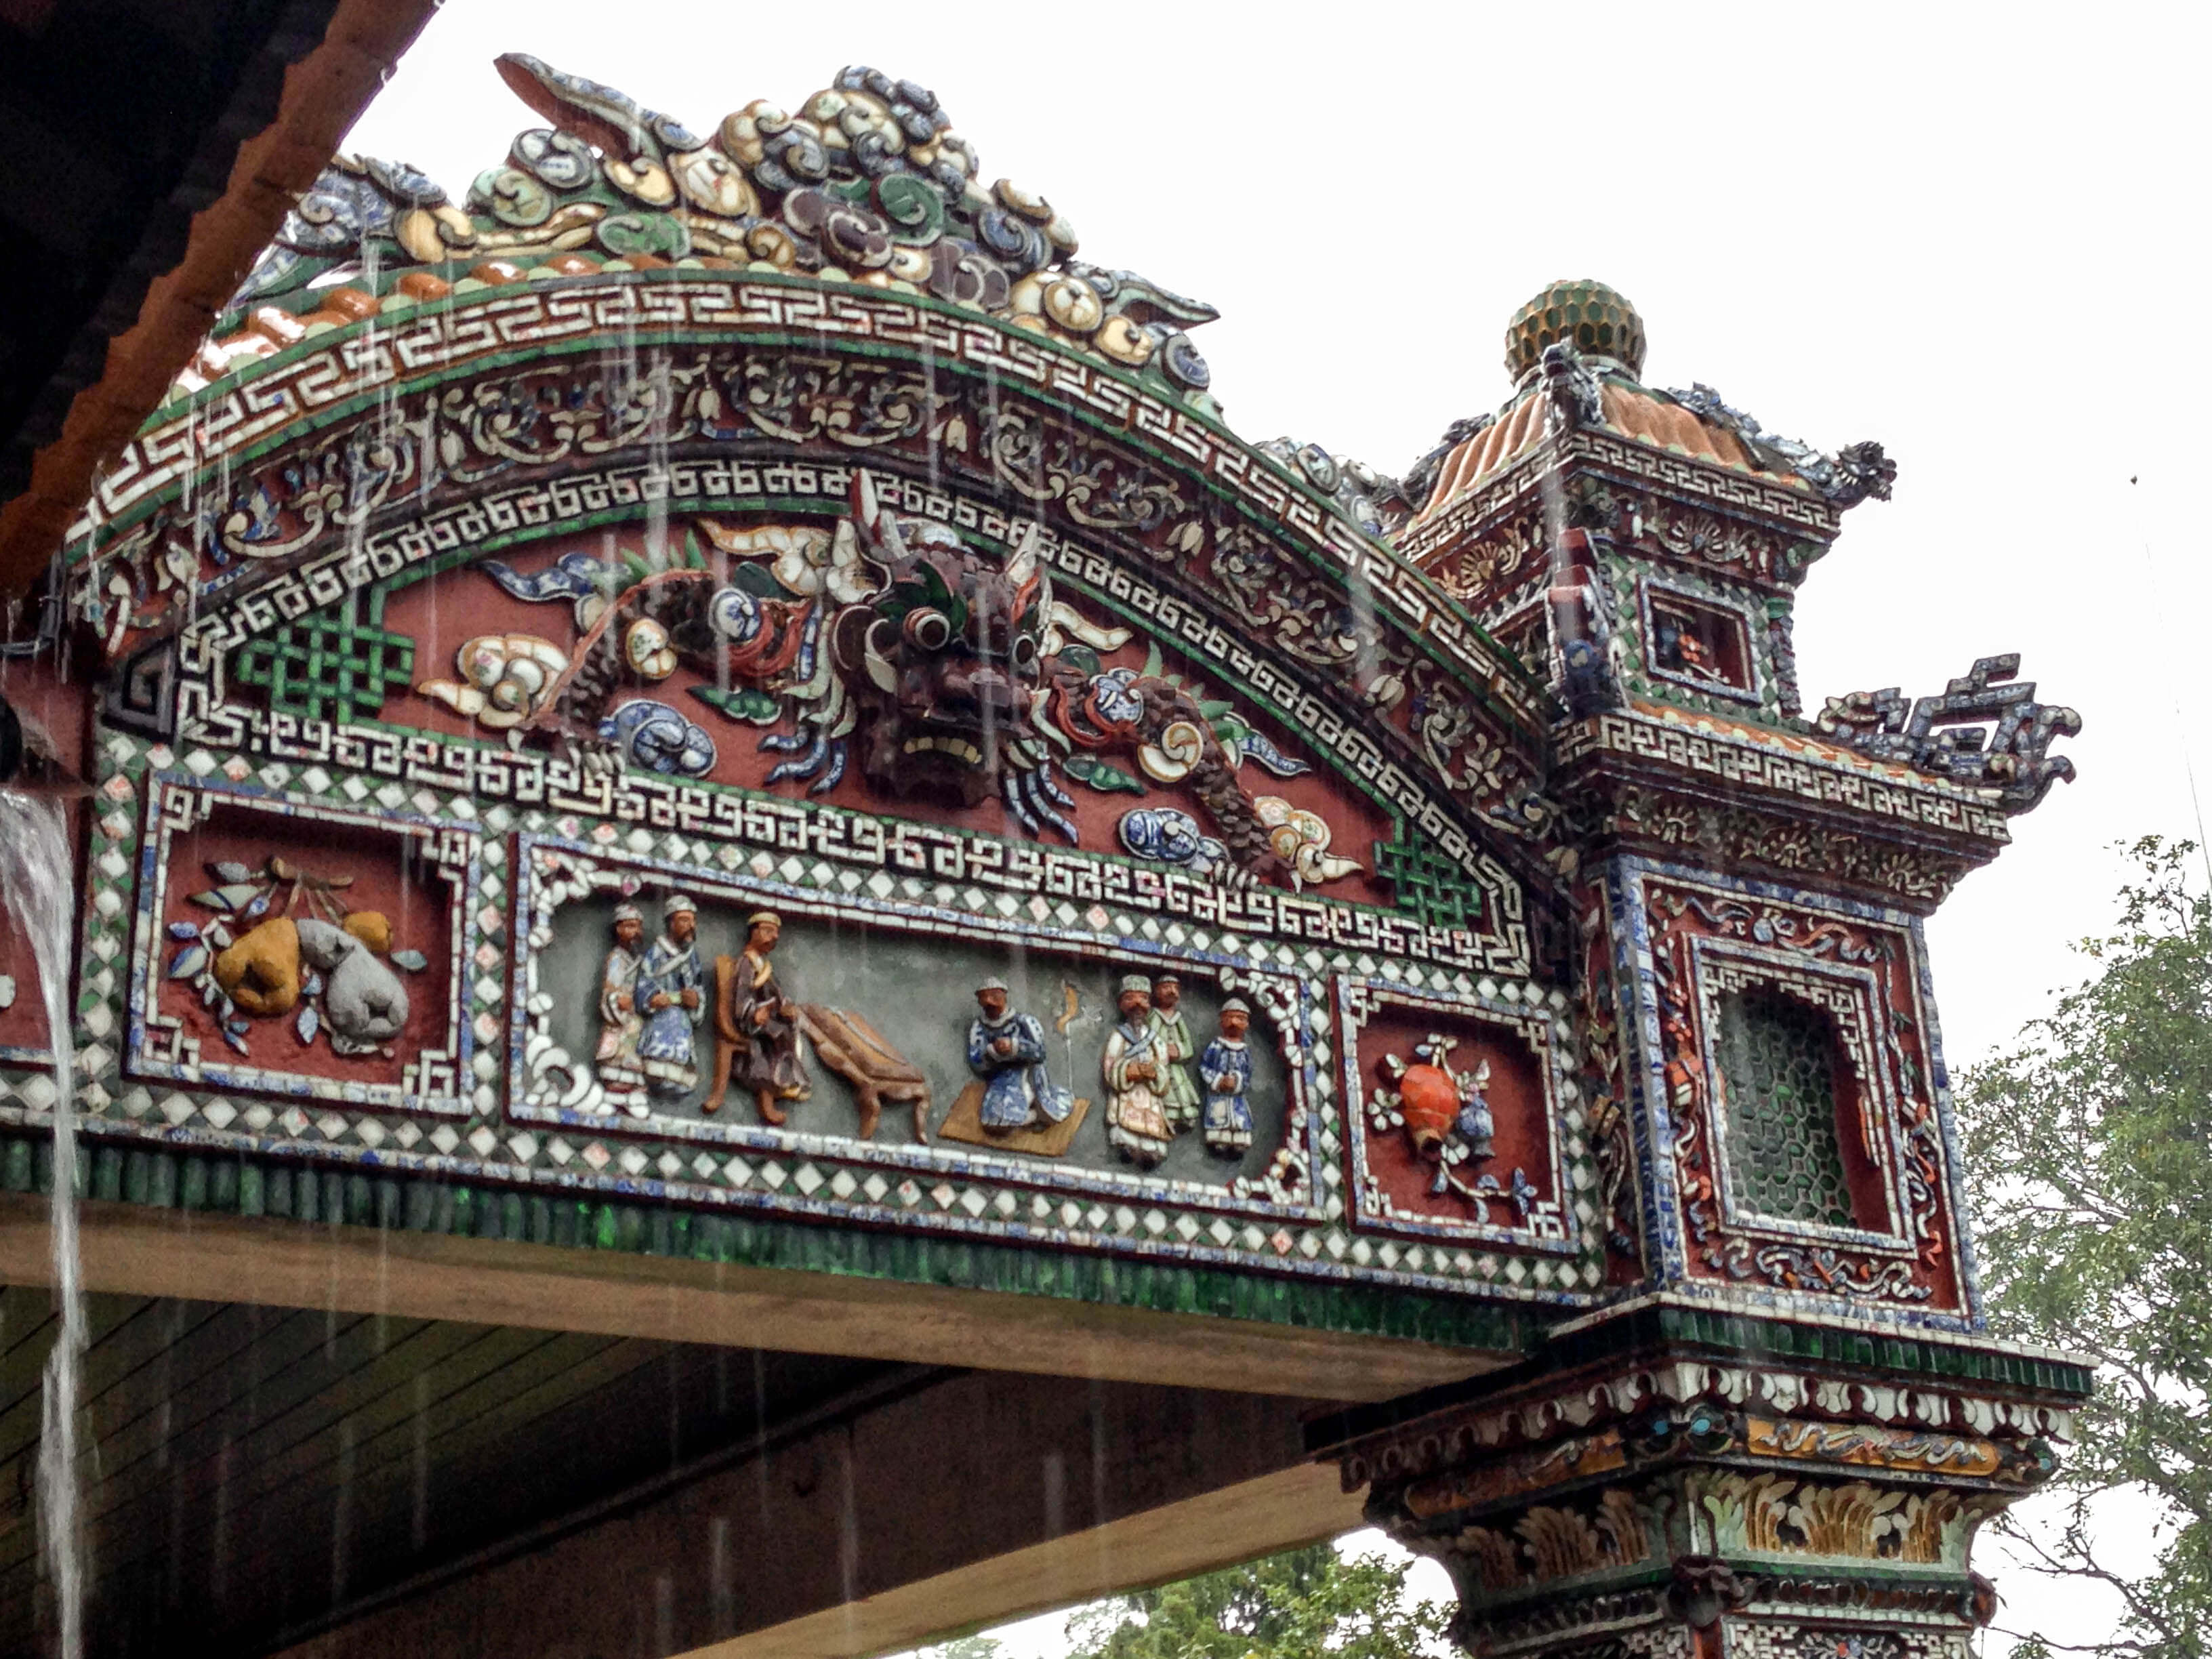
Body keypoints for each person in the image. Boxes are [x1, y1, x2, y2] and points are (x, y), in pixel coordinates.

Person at [717, 909, 809, 1124]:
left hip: (768, 1015)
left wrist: (786, 1007)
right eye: (768, 931)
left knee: (789, 1028)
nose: (774, 937)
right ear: (754, 932)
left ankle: (786, 1080)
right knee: (779, 1033)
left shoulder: (764, 965)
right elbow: (742, 996)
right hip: (749, 1020)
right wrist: (753, 1013)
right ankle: (779, 1082)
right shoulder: (747, 964)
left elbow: (776, 995)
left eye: (776, 933)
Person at [966, 977, 1071, 1132]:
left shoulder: (1024, 1021)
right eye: (984, 998)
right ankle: (1027, 1117)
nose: (990, 1002)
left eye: (994, 996)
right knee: (995, 1120)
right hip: (1001, 1078)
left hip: (1028, 1074)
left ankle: (1036, 1113)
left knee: (1020, 1108)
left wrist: (1014, 1047)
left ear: (1004, 997)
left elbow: (1040, 1052)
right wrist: (991, 1052)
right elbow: (976, 1060)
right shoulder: (980, 1027)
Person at [633, 893, 705, 1098]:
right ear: (671, 923)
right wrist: (652, 997)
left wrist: (696, 1000)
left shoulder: (692, 956)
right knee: (660, 1049)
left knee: (681, 1050)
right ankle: (656, 1073)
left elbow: (698, 985)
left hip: (682, 1016)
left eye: (693, 921)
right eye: (684, 920)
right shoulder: (657, 951)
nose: (691, 926)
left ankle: (678, 1080)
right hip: (661, 1015)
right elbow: (644, 980)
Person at [1102, 975, 1172, 1166]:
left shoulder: (1155, 1039)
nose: (1137, 1004)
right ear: (1121, 1004)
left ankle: (1150, 1151)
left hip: (1149, 1095)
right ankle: (1128, 1146)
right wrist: (1127, 1071)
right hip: (1128, 1094)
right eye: (1130, 998)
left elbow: (1164, 1066)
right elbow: (1110, 1065)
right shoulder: (1119, 1036)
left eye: (1143, 998)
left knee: (1151, 1121)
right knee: (1127, 1122)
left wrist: (1155, 1073)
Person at [593, 901, 649, 1115]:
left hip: (634, 1018)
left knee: (634, 1055)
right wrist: (617, 999)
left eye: (638, 927)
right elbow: (610, 988)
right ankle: (614, 1095)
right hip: (621, 1017)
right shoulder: (617, 957)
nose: (636, 932)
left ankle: (632, 1095)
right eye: (630, 926)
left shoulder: (635, 959)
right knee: (618, 1057)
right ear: (619, 929)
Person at [1201, 997, 1255, 1157]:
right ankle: (1219, 1139)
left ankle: (1238, 1141)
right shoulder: (1216, 1046)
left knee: (1239, 1120)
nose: (1234, 1022)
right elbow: (1205, 1067)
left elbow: (1248, 1072)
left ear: (1247, 1024)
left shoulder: (1244, 1051)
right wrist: (1218, 1081)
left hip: (1237, 1097)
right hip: (1218, 1095)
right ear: (1222, 1021)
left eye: (1240, 1019)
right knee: (1219, 1118)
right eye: (1230, 1018)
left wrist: (1237, 1081)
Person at [1149, 973, 1200, 1134]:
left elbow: (1188, 1045)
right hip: (1159, 1067)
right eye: (1166, 988)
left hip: (1177, 1068)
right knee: (1165, 1096)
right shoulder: (1154, 1016)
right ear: (1157, 991)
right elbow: (1147, 1040)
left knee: (1182, 1093)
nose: (1172, 991)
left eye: (1175, 988)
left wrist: (1179, 1050)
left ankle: (1184, 1118)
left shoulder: (1178, 1019)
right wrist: (1161, 1051)